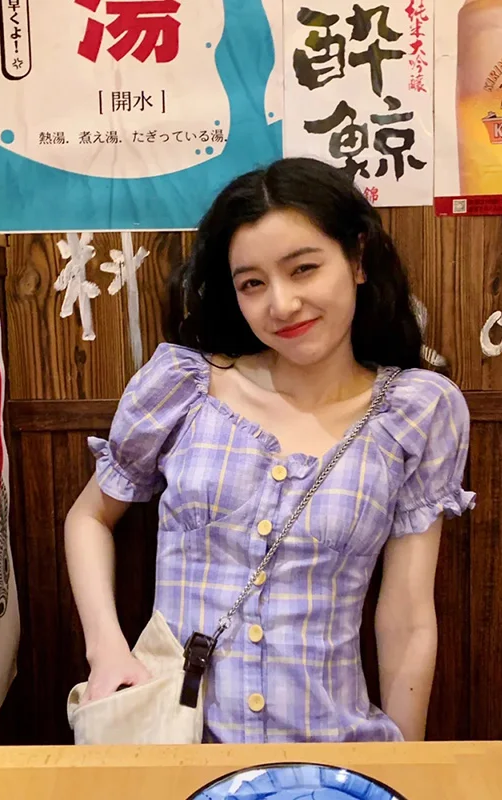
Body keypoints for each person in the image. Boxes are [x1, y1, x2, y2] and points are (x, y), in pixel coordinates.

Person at [64, 157, 475, 744]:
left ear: (357, 259)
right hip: (176, 747)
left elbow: (408, 616)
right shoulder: (184, 387)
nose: (281, 304)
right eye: (252, 283)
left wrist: (402, 767)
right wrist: (106, 650)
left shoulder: (416, 412)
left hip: (328, 755)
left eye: (303, 268)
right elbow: (90, 516)